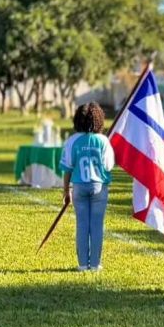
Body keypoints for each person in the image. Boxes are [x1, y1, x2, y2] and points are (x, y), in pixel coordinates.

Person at [60, 102, 115, 271]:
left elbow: (67, 168)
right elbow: (108, 166)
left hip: (79, 187)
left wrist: (66, 190)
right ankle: (95, 265)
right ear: (99, 119)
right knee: (97, 225)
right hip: (99, 186)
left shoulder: (72, 141)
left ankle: (83, 264)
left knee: (82, 225)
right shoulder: (103, 141)